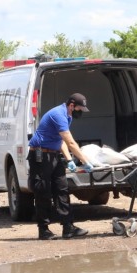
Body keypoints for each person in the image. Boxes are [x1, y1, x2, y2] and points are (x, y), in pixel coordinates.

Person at [28, 93, 94, 240]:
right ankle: (43, 230)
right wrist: (85, 161)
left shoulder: (68, 116)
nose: (80, 112)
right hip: (40, 156)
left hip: (53, 154)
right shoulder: (58, 114)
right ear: (71, 105)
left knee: (62, 189)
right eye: (79, 109)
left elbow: (61, 140)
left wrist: (69, 159)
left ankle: (68, 227)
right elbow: (70, 142)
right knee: (43, 191)